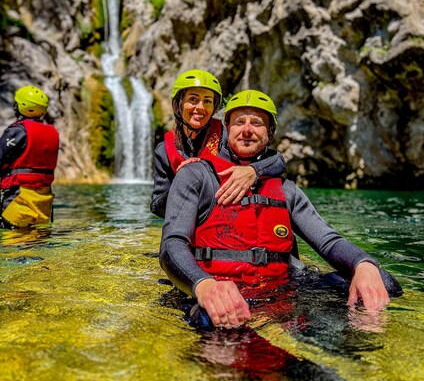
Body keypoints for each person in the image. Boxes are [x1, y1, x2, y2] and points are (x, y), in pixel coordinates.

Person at [159, 89, 402, 329]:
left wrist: (362, 263)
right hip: (218, 288)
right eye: (239, 122)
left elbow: (327, 241)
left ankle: (350, 346)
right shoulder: (196, 175)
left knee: (383, 282)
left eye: (257, 123)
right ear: (227, 128)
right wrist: (203, 284)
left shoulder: (286, 190)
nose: (246, 130)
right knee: (209, 318)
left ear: (270, 132)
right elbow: (172, 244)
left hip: (281, 290)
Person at [150, 69, 286, 218]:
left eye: (207, 101)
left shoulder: (228, 136)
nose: (200, 107)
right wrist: (185, 180)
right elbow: (157, 206)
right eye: (193, 99)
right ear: (178, 104)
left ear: (214, 107)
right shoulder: (164, 150)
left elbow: (277, 161)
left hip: (233, 216)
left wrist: (253, 170)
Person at [0, 85, 59, 229]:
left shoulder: (18, 131)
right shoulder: (52, 132)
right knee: (36, 243)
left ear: (20, 106)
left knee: (12, 246)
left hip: (19, 198)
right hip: (44, 202)